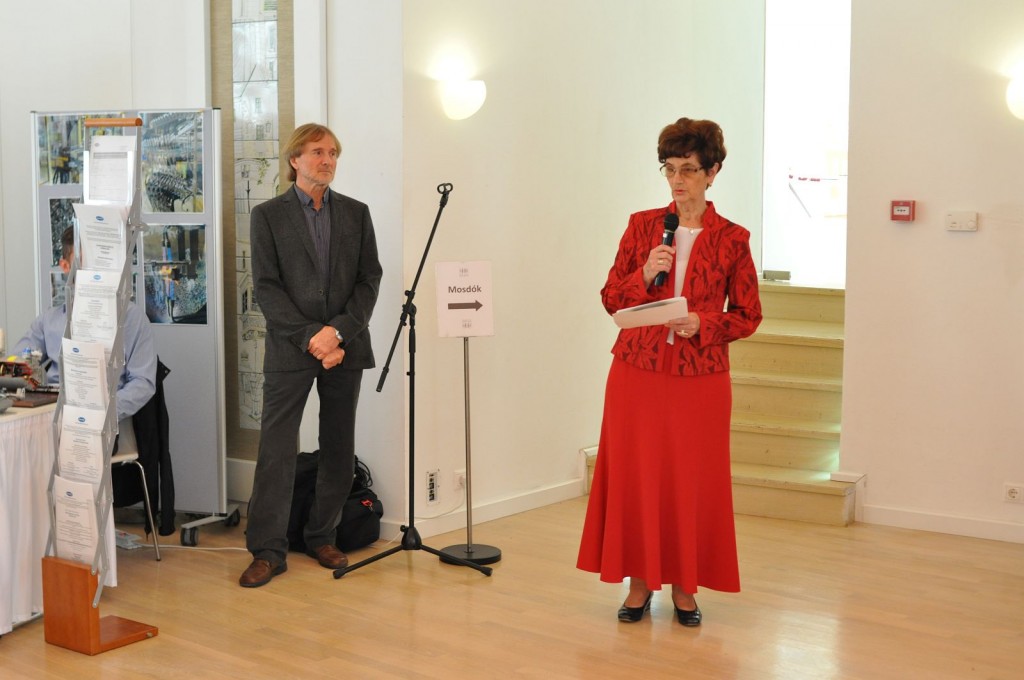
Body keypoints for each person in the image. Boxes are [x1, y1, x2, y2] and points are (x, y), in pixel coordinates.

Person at [577, 117, 762, 626]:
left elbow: (748, 315)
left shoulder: (733, 239)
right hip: (636, 372)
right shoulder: (642, 226)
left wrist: (703, 323)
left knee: (691, 481)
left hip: (700, 378)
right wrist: (644, 273)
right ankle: (638, 586)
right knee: (637, 477)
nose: (677, 180)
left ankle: (685, 589)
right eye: (670, 169)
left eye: (688, 170)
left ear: (712, 172)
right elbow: (611, 297)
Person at [240, 123, 382, 588]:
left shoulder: (357, 214)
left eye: (333, 153)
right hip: (291, 349)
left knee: (338, 448)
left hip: (345, 347)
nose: (328, 160)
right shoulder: (267, 216)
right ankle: (268, 551)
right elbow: (266, 288)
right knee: (276, 452)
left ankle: (322, 535)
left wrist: (337, 333)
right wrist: (312, 338)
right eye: (318, 152)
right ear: (295, 159)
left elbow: (369, 280)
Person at [13, 226, 157, 423]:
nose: (92, 270)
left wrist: (102, 414)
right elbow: (17, 364)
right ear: (65, 266)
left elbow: (143, 382)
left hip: (106, 421)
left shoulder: (131, 318)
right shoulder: (49, 321)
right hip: (52, 415)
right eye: (84, 261)